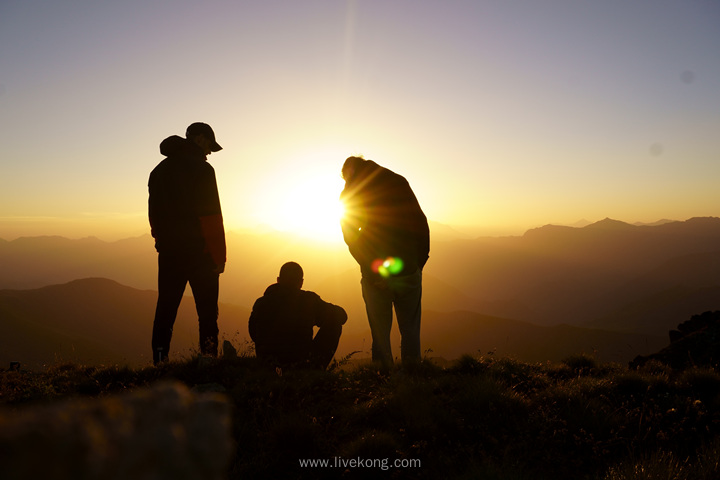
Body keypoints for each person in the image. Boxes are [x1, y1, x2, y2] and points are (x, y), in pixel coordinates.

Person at [340, 156, 429, 368]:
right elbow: (420, 222)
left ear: (348, 174)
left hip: (375, 276)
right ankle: (412, 375)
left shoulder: (351, 193)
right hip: (407, 270)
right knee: (410, 330)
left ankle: (381, 380)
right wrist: (419, 261)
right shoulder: (399, 182)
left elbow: (351, 238)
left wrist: (372, 270)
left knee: (380, 334)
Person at [148, 122, 226, 364]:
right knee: (207, 314)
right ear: (200, 139)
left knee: (166, 310)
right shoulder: (203, 171)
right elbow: (211, 217)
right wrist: (219, 257)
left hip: (170, 253)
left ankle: (160, 361)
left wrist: (160, 240)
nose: (210, 152)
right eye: (209, 146)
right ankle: (209, 359)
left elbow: (154, 214)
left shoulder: (159, 170)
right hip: (200, 253)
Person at [248, 262, 347, 370]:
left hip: (267, 363)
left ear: (278, 280)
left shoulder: (260, 303)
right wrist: (312, 317)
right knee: (335, 324)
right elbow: (342, 316)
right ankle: (314, 372)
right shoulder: (309, 301)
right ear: (301, 283)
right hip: (301, 364)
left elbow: (253, 333)